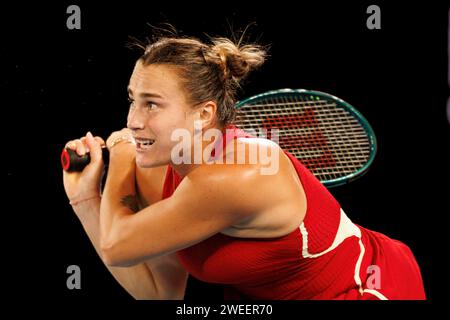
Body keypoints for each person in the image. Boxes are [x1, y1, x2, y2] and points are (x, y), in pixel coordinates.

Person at [62, 34, 426, 300]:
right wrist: (84, 199)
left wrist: (123, 153)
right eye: (133, 100)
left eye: (152, 104)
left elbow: (115, 246)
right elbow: (158, 293)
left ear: (204, 114)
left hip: (366, 288)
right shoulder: (158, 166)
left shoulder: (238, 175)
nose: (133, 120)